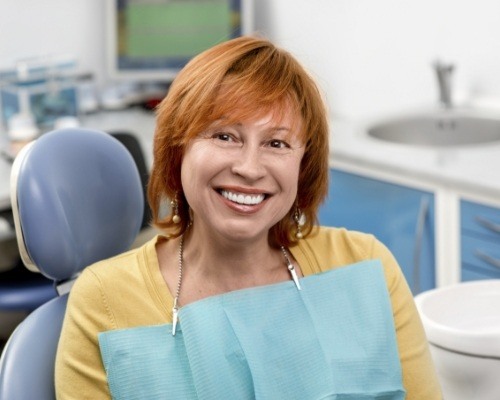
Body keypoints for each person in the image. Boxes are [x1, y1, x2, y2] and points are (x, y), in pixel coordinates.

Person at [55, 36, 442, 399]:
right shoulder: (103, 301)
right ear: (178, 150)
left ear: (302, 166)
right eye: (225, 136)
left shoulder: (365, 266)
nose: (250, 168)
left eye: (277, 143)